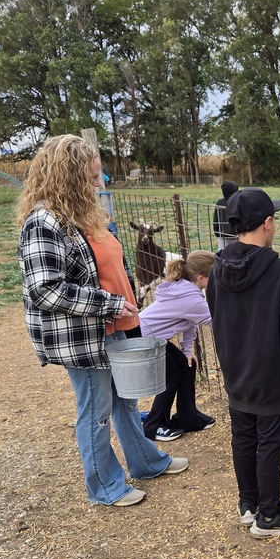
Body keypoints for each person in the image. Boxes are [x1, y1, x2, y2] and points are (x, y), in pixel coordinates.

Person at [17, 134, 188, 509]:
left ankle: (146, 463)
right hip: (85, 337)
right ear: (68, 176)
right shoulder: (44, 222)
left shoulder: (82, 215)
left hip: (115, 327)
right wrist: (110, 304)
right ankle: (106, 486)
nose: (99, 184)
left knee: (125, 401)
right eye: (92, 178)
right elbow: (45, 290)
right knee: (95, 411)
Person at [207, 187, 280, 534]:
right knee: (270, 441)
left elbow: (216, 314)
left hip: (236, 370)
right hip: (271, 373)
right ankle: (269, 515)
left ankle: (249, 503)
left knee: (243, 436)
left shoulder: (216, 269)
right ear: (268, 223)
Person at [139, 251, 217, 442]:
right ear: (200, 278)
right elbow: (215, 321)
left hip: (153, 336)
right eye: (215, 277)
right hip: (145, 339)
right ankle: (153, 425)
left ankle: (187, 416)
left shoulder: (186, 290)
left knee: (186, 365)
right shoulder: (190, 297)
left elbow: (190, 322)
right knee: (172, 374)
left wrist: (187, 351)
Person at [213, 180, 239, 251]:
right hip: (237, 234)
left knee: (222, 254)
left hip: (222, 234)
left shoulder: (219, 203)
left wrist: (217, 234)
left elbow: (216, 220)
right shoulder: (237, 201)